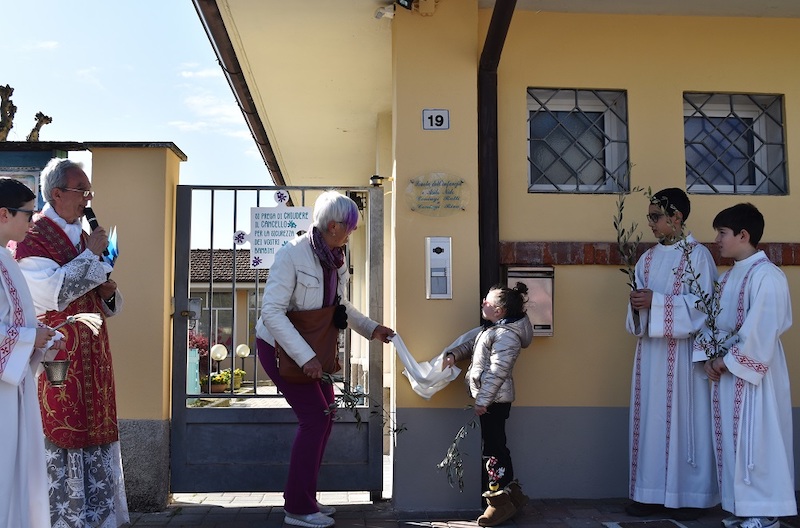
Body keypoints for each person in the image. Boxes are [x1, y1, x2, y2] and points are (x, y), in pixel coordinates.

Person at [255, 190, 394, 528]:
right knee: (316, 418)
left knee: (326, 416)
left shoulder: (335, 257)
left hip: (309, 351)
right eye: (351, 225)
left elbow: (339, 306)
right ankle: (298, 507)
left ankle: (305, 497)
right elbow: (271, 312)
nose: (354, 231)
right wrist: (305, 358)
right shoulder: (291, 254)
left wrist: (372, 329)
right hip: (280, 349)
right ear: (333, 225)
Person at [13, 158, 129, 527]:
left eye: (89, 191)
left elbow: (97, 295)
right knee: (62, 429)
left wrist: (108, 293)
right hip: (57, 356)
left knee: (95, 430)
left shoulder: (82, 235)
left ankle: (96, 517)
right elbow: (51, 295)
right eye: (83, 191)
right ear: (58, 194)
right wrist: (92, 255)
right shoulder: (33, 236)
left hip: (93, 352)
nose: (88, 199)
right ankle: (64, 518)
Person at [624, 187, 719, 519]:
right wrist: (637, 306)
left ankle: (690, 496)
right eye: (649, 216)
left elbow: (706, 308)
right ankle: (648, 493)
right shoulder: (647, 258)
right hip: (651, 356)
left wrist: (657, 302)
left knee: (684, 422)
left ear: (676, 218)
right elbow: (638, 307)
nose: (650, 222)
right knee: (651, 420)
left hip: (684, 359)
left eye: (655, 216)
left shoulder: (699, 257)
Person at [701, 203, 796, 528]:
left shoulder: (767, 275)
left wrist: (726, 361)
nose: (717, 239)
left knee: (758, 439)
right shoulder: (728, 278)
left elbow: (763, 329)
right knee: (733, 440)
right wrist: (709, 357)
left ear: (744, 235)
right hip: (727, 371)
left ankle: (765, 512)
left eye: (722, 233)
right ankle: (742, 508)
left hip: (756, 375)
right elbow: (712, 322)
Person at [441, 282, 533, 527]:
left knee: (492, 451)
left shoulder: (506, 335)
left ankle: (498, 503)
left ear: (500, 311)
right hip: (491, 399)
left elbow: (497, 371)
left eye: (488, 302)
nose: (483, 303)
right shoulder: (494, 330)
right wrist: (454, 355)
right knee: (497, 446)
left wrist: (483, 401)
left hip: (494, 401)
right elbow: (474, 345)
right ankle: (513, 494)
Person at [0, 178, 58, 527]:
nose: (32, 221)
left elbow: (17, 322)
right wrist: (29, 339)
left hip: (14, 386)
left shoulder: (7, 260)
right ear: (3, 214)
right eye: (27, 213)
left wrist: (40, 340)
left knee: (19, 471)